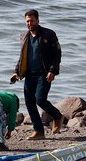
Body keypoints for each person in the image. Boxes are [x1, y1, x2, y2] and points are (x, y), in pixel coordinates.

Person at [10, 8, 63, 140]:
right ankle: (39, 131)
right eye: (27, 21)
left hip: (44, 74)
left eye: (32, 20)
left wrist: (53, 70)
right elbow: (22, 57)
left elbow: (57, 54)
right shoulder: (24, 36)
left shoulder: (49, 34)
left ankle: (57, 116)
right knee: (29, 103)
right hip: (29, 75)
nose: (29, 23)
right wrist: (16, 72)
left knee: (40, 99)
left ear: (38, 20)